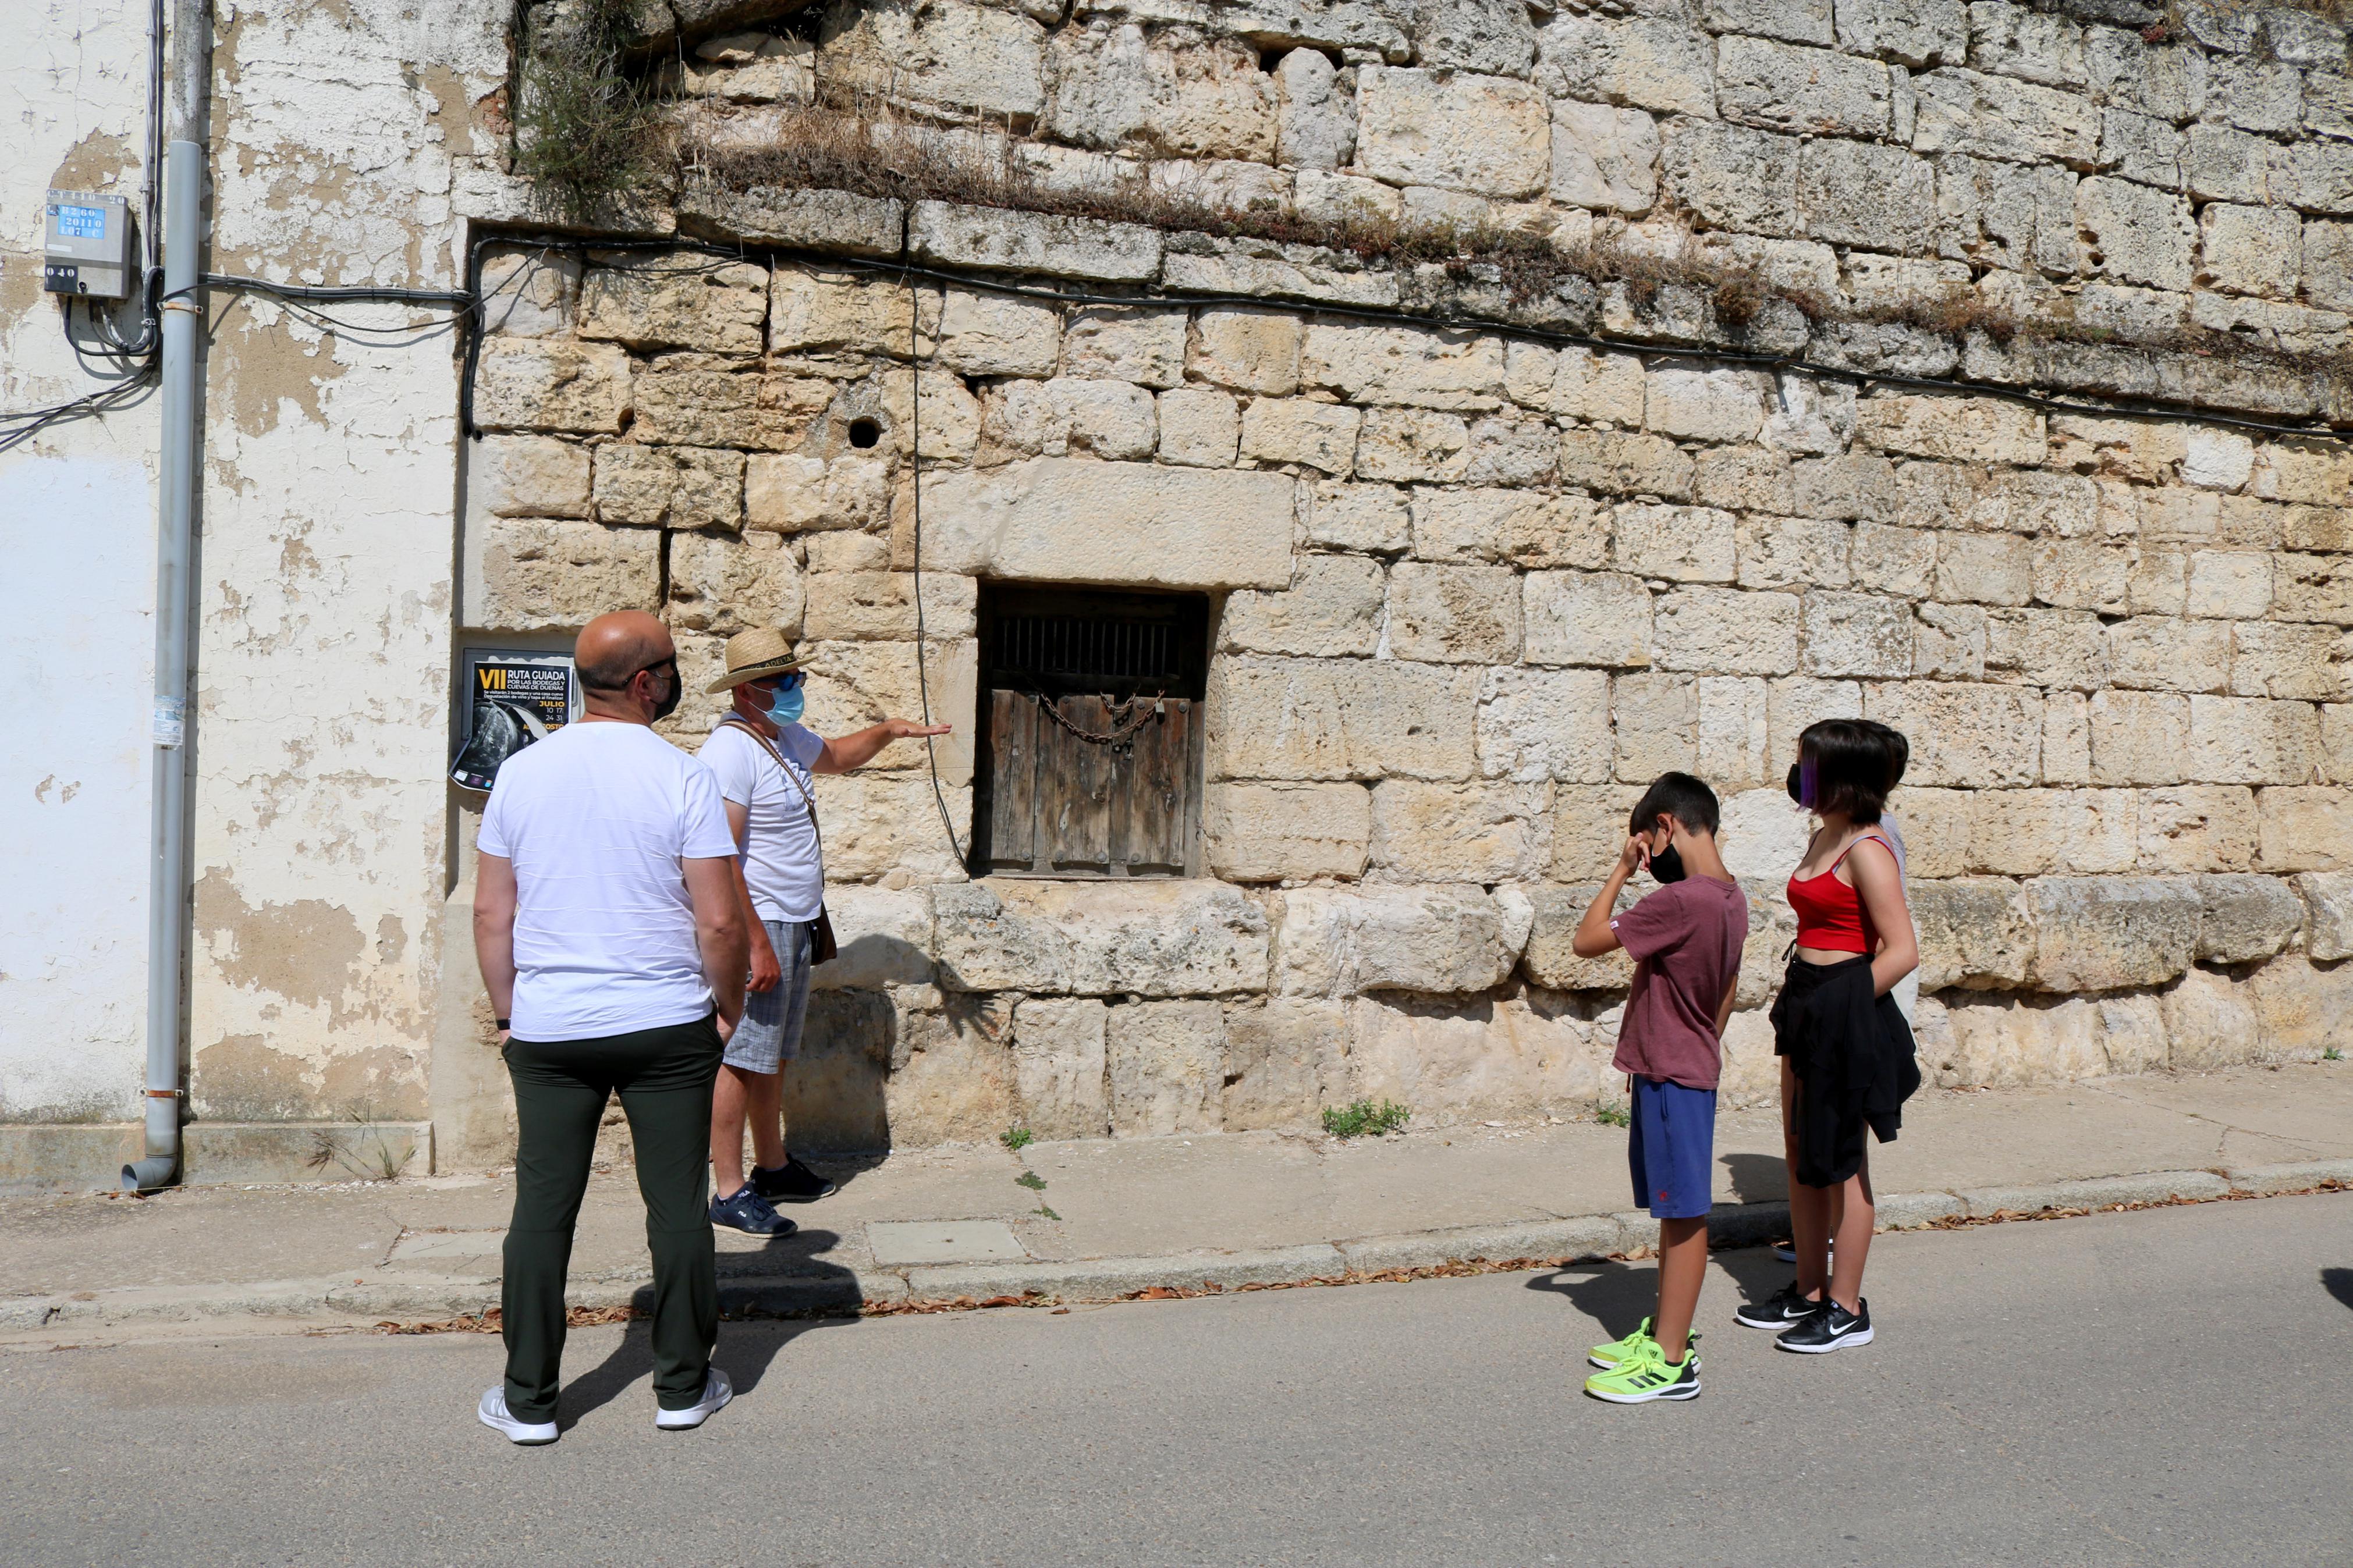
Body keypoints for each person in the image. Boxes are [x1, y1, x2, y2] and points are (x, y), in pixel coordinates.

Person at [471, 611, 747, 1445]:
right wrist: (727, 1004)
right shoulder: (683, 775)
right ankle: (681, 1388)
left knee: (542, 1211)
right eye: (671, 665)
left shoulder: (520, 772)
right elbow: (720, 921)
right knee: (676, 1207)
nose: (675, 677)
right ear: (644, 682)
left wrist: (509, 1011)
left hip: (551, 1029)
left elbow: (491, 909)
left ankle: (529, 1401)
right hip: (665, 1022)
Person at [696, 627, 951, 1235]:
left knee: (774, 1055)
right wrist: (754, 940)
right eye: (783, 681)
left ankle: (773, 1165)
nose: (794, 689)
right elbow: (718, 852)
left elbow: (835, 755)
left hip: (796, 919)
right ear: (747, 689)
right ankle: (728, 1189)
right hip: (764, 923)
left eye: (797, 678)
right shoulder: (730, 751)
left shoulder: (781, 738)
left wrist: (888, 732)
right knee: (740, 1057)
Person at [1736, 719, 1921, 1354]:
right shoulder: (1826, 834)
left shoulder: (1866, 849)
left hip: (1844, 1008)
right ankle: (1808, 1289)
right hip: (1806, 1003)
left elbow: (1901, 951)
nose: (1799, 776)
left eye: (1809, 765)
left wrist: (1839, 1009)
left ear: (1843, 776)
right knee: (1800, 1154)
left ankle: (1846, 1308)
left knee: (1842, 1165)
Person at [1570, 772, 1748, 1404]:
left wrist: (1619, 870)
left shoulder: (1680, 902)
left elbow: (1585, 940)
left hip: (1674, 1073)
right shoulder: (1730, 897)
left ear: (1666, 826)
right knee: (1677, 1211)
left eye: (1648, 844)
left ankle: (1670, 1361)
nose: (1648, 859)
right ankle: (1663, 1335)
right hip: (1680, 1064)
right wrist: (1687, 1045)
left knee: (1683, 1215)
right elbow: (1725, 990)